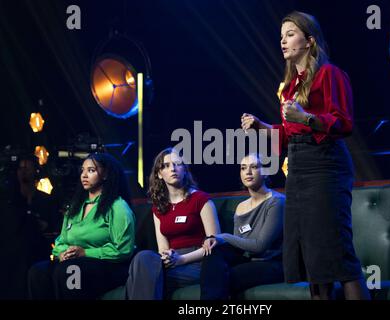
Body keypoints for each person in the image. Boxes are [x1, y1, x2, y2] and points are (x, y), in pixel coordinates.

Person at [240, 11, 370, 300]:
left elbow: (343, 122)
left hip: (325, 165)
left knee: (337, 253)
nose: (283, 41)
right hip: (298, 168)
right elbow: (288, 135)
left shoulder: (329, 74)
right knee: (312, 260)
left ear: (309, 40)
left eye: (290, 34)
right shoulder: (289, 86)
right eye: (281, 36)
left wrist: (307, 117)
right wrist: (261, 126)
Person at [28, 153, 135, 299]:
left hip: (108, 266)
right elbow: (61, 241)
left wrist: (85, 253)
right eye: (83, 170)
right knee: (38, 271)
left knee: (70, 270)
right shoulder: (75, 207)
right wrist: (62, 253)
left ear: (105, 175)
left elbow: (123, 249)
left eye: (91, 170)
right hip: (75, 263)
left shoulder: (118, 207)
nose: (84, 175)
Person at [125, 148, 220, 300]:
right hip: (172, 260)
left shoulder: (201, 199)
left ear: (184, 170)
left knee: (141, 277)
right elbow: (163, 248)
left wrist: (181, 259)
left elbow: (215, 244)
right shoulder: (159, 207)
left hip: (197, 261)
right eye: (166, 166)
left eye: (177, 164)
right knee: (143, 258)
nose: (173, 169)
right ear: (159, 174)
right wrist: (169, 256)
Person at [200, 153, 285, 300]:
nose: (248, 172)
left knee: (221, 278)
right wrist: (215, 241)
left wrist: (222, 237)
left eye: (254, 167)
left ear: (265, 172)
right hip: (248, 261)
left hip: (272, 263)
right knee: (214, 253)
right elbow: (237, 246)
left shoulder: (276, 202)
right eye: (243, 168)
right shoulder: (241, 207)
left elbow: (260, 246)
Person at [0, 155, 59, 299]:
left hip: (37, 252)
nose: (24, 171)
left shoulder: (46, 200)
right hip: (12, 257)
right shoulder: (8, 201)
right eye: (21, 168)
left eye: (27, 167)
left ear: (35, 171)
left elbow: (52, 225)